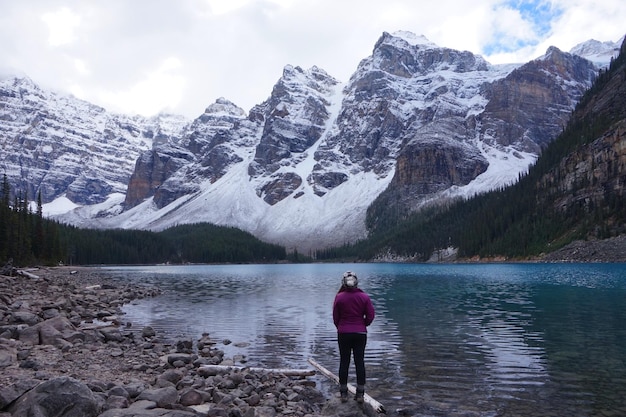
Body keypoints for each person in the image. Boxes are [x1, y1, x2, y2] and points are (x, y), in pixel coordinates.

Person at [332, 271, 375, 403]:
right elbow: (370, 316)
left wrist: (341, 327)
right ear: (356, 282)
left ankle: (344, 393)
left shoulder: (339, 297)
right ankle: (360, 394)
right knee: (359, 362)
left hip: (344, 333)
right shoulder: (364, 297)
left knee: (344, 362)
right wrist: (363, 324)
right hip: (360, 333)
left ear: (343, 283)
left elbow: (335, 317)